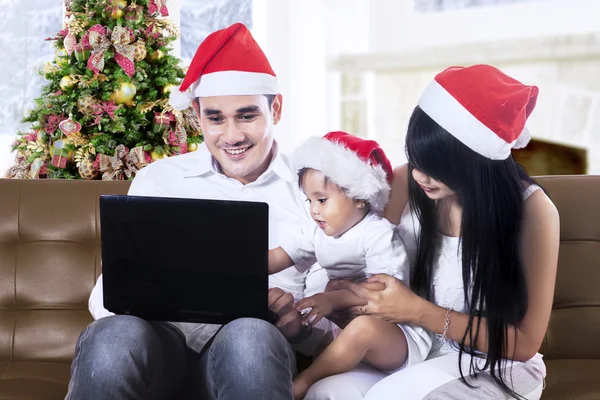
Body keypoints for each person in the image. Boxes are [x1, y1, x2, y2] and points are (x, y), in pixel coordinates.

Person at [66, 23, 334, 400]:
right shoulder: (158, 180)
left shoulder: (314, 194)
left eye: (247, 115)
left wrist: (301, 327)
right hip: (159, 356)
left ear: (275, 109)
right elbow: (105, 300)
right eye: (215, 118)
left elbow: (335, 329)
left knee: (250, 334)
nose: (232, 136)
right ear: (197, 114)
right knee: (114, 333)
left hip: (250, 356)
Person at [313, 64, 559, 399]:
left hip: (499, 365)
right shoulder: (407, 183)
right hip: (420, 350)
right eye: (417, 160)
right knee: (326, 392)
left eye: (437, 168)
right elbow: (354, 243)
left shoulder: (533, 211)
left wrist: (418, 310)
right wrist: (344, 293)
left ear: (477, 162)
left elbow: (525, 342)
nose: (421, 176)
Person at [267, 132, 432, 399]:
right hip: (349, 326)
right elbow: (278, 256)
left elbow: (384, 289)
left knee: (360, 327)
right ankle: (314, 357)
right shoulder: (319, 231)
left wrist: (332, 299)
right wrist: (239, 264)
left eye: (322, 200)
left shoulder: (378, 233)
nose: (314, 210)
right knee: (300, 319)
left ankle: (302, 382)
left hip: (397, 335)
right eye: (309, 201)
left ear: (359, 197)